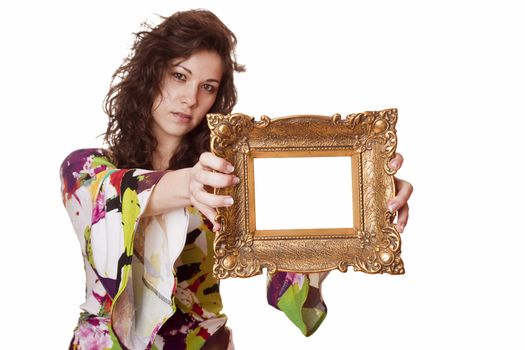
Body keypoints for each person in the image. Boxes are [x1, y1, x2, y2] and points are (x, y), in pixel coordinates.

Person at [60, 9, 413, 350]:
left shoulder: (229, 184)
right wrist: (191, 185)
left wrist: (362, 204)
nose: (190, 98)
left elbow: (288, 283)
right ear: (150, 74)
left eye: (208, 87)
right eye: (179, 76)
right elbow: (116, 198)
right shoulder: (87, 169)